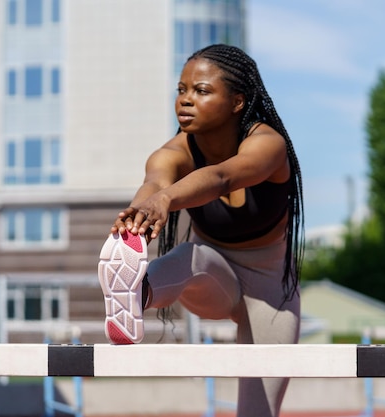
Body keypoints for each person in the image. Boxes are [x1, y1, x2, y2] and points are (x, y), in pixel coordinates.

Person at [97, 43, 304, 417]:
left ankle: (136, 287)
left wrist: (166, 201)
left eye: (201, 91)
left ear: (238, 101)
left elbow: (223, 176)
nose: (185, 101)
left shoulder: (268, 145)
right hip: (211, 276)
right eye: (181, 90)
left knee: (260, 413)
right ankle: (136, 291)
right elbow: (154, 183)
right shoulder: (173, 153)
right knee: (193, 256)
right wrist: (141, 211)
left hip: (271, 291)